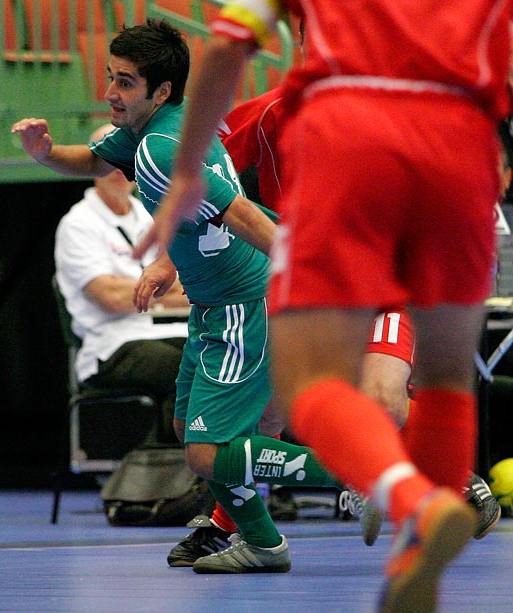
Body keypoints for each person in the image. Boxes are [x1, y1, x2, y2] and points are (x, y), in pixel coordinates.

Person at [133, 2, 510, 611]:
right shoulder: (266, 118)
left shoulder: (309, 73)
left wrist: (181, 173)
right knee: (445, 382)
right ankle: (416, 529)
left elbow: (228, 46)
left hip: (352, 134)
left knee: (310, 387)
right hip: (463, 141)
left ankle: (407, 497)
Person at [13, 18, 339, 574]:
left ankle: (364, 473)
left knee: (208, 451)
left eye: (125, 83)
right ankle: (262, 542)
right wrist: (44, 153)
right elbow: (94, 160)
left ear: (160, 90)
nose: (110, 92)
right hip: (215, 307)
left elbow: (238, 212)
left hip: (244, 304)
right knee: (194, 433)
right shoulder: (170, 124)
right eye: (111, 77)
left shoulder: (158, 150)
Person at [54, 123, 189, 444]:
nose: (118, 168)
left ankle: (213, 473)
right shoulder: (78, 223)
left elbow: (187, 286)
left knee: (220, 359)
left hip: (165, 330)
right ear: (93, 165)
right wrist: (161, 290)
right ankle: (178, 477)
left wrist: (141, 291)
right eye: (108, 158)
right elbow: (110, 298)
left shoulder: (148, 214)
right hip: (111, 345)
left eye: (125, 157)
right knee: (187, 371)